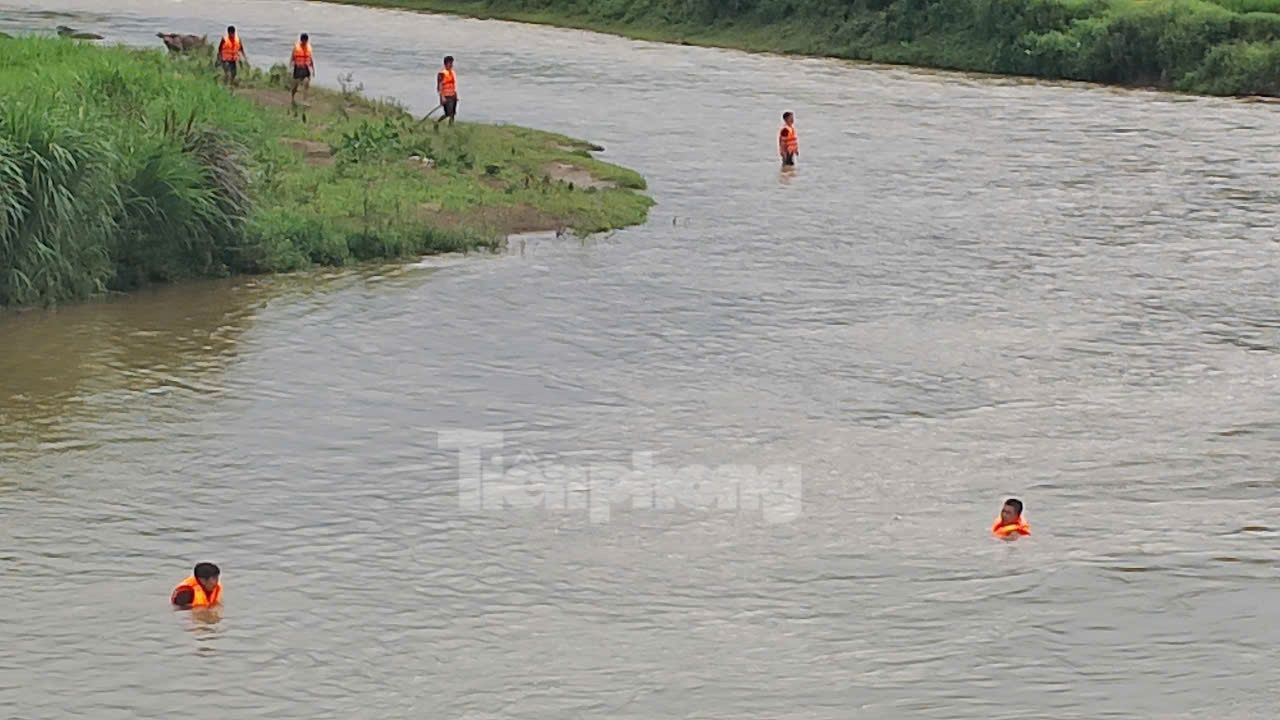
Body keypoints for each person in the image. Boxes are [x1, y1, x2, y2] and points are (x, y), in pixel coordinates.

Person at [289, 33, 315, 104]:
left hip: (305, 68)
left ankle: (304, 100)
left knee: (306, 83)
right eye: (303, 40)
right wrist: (290, 68)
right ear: (301, 40)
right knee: (295, 86)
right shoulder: (296, 47)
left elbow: (311, 59)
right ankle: (292, 98)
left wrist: (313, 70)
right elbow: (292, 58)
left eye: (306, 41)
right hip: (297, 68)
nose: (304, 42)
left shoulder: (309, 47)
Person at [435, 55, 458, 126]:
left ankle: (451, 127)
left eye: (452, 63)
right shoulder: (441, 74)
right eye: (449, 63)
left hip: (452, 95)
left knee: (453, 113)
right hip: (446, 96)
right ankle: (437, 122)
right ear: (445, 64)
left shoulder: (452, 72)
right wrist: (442, 97)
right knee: (448, 113)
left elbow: (453, 85)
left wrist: (455, 95)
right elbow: (439, 87)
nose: (451, 65)